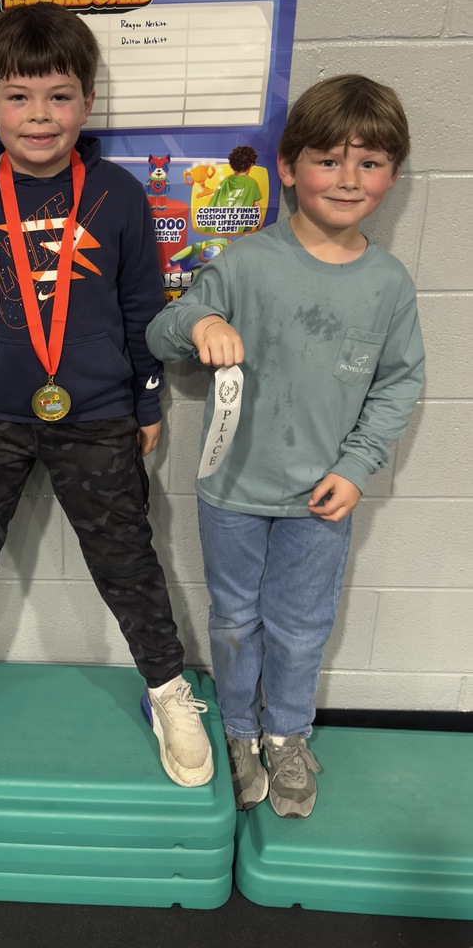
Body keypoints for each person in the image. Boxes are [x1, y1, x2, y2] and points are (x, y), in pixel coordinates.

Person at [0, 3, 214, 788]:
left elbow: (141, 311)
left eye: (58, 95)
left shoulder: (116, 195)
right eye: (18, 96)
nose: (39, 115)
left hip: (97, 415)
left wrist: (146, 403)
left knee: (127, 559)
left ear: (86, 102)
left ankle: (165, 687)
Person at [146, 75, 425, 817]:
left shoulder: (389, 284)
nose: (348, 179)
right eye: (329, 160)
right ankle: (239, 730)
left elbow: (398, 384)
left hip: (322, 499)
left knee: (302, 627)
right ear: (289, 166)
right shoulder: (244, 262)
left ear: (392, 175)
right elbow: (163, 332)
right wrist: (202, 324)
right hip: (231, 489)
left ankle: (287, 735)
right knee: (235, 618)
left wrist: (357, 467)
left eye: (369, 162)